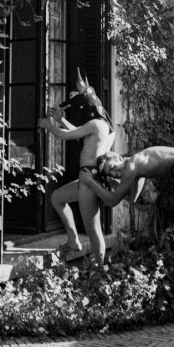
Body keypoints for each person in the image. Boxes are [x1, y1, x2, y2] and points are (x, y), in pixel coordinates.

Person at [80, 146, 174, 263]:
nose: (115, 173)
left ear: (118, 157)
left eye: (112, 167)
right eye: (111, 174)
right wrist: (115, 185)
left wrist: (90, 182)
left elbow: (112, 201)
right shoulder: (137, 166)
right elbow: (132, 198)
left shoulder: (132, 165)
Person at [38, 71, 114, 262]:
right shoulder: (101, 124)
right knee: (57, 198)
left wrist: (49, 126)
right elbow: (79, 133)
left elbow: (67, 136)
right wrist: (61, 119)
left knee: (94, 230)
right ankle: (73, 240)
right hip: (86, 177)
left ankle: (98, 271)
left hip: (90, 178)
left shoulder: (96, 124)